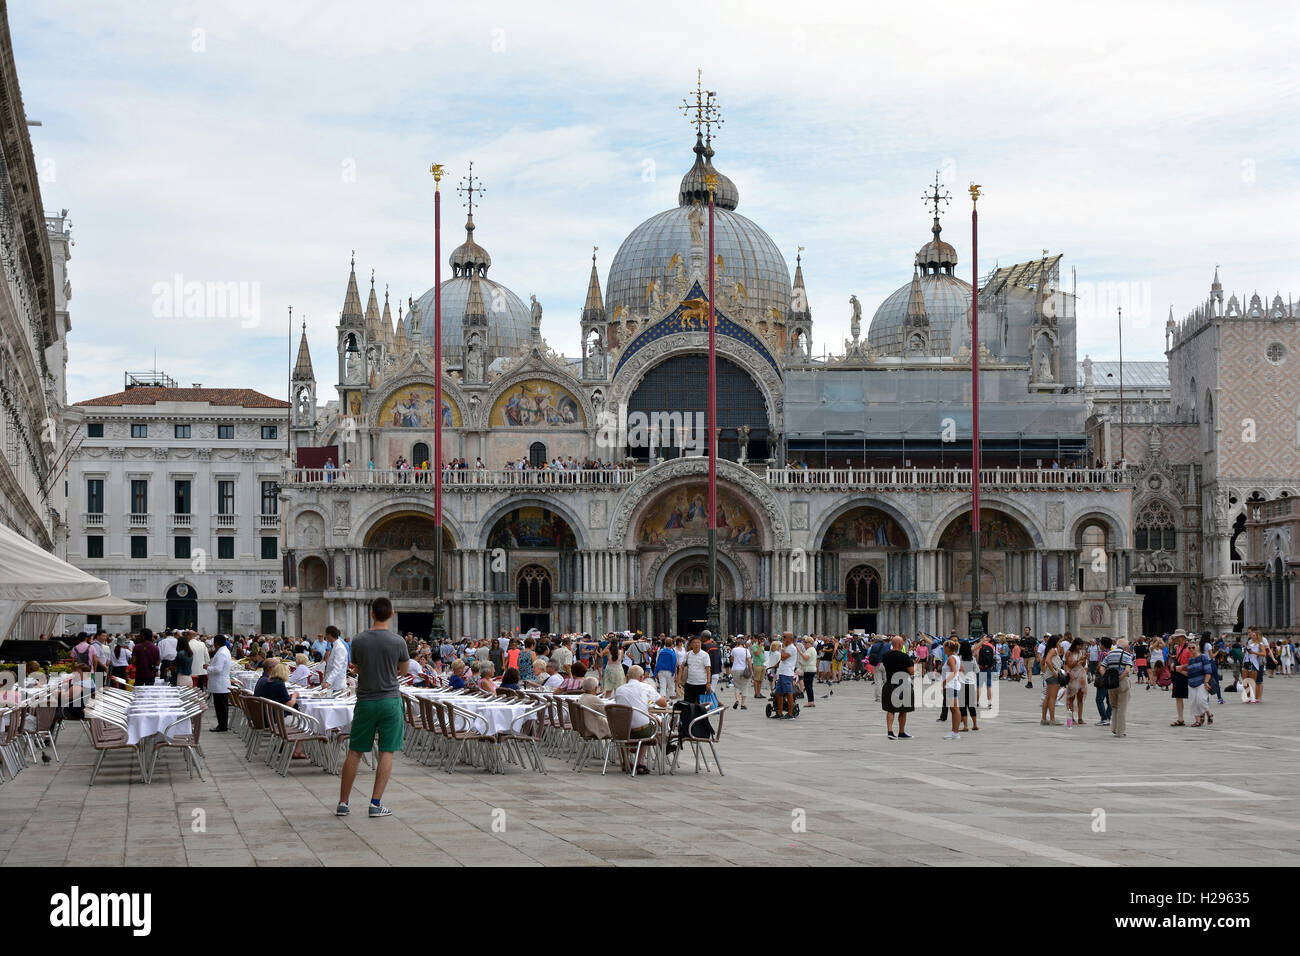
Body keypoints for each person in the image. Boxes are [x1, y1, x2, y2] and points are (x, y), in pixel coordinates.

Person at [337, 597, 408, 819]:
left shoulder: (358, 640)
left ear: (371, 614)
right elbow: (404, 670)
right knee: (387, 751)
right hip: (389, 700)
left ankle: (343, 802)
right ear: (392, 614)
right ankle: (375, 803)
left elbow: (356, 667)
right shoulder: (398, 641)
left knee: (355, 751)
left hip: (366, 700)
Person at [612, 665, 666, 774]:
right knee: (651, 726)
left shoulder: (619, 690)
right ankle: (639, 763)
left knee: (625, 724)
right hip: (641, 731)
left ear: (627, 677)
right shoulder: (646, 687)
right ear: (641, 677)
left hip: (621, 732)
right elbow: (663, 703)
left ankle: (626, 761)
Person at [882, 635, 915, 739]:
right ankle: (901, 732)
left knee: (890, 709)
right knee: (903, 710)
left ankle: (890, 731)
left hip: (890, 683)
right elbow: (912, 672)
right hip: (903, 684)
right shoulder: (905, 657)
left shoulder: (885, 655)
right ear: (901, 644)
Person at [1103, 638, 1136, 737]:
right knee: (1122, 708)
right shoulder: (1127, 655)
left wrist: (1107, 677)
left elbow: (1102, 667)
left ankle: (1114, 728)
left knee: (1114, 707)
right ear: (1126, 647)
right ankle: (1120, 731)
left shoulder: (1110, 654)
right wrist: (1119, 678)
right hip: (1122, 683)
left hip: (1111, 684)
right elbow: (1127, 671)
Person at [207, 635, 233, 732]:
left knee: (221, 706)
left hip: (220, 684)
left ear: (216, 644)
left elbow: (218, 669)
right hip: (221, 683)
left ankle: (222, 725)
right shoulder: (224, 651)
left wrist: (208, 668)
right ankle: (222, 724)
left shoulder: (221, 653)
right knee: (221, 706)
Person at [1186, 641, 1214, 727]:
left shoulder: (1203, 657)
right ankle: (1197, 721)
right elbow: (1189, 673)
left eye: (1193, 647)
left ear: (1197, 648)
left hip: (1202, 682)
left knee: (1201, 701)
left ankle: (1209, 714)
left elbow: (1208, 671)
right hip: (1191, 683)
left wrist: (1206, 682)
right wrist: (1179, 670)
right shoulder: (1190, 659)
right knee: (1193, 703)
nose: (1191, 649)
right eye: (1189, 648)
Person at [773, 632, 798, 719]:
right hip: (782, 672)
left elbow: (783, 657)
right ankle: (779, 712)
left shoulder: (792, 648)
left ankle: (790, 714)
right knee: (778, 693)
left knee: (788, 693)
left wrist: (782, 648)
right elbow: (781, 659)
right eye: (782, 637)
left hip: (787, 673)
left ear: (790, 639)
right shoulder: (786, 647)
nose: (783, 639)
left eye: (784, 637)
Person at [1169, 630, 1191, 726]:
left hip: (1187, 674)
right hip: (1178, 675)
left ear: (1182, 637)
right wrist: (1174, 664)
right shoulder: (1177, 647)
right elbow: (1178, 659)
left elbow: (1193, 663)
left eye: (1177, 637)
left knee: (1194, 697)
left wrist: (1181, 668)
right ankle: (1180, 719)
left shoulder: (1189, 648)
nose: (1175, 639)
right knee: (1178, 697)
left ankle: (1201, 716)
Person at [680, 636, 711, 704]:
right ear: (691, 645)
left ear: (701, 644)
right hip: (690, 683)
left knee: (700, 704)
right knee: (687, 703)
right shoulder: (688, 654)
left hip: (701, 683)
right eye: (694, 643)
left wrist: (708, 683)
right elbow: (682, 667)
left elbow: (708, 670)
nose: (696, 644)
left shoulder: (705, 655)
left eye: (698, 643)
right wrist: (679, 680)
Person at [320, 625, 349, 692]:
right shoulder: (335, 645)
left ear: (329, 635)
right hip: (333, 683)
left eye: (326, 635)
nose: (326, 637)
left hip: (337, 685)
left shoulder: (339, 648)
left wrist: (328, 682)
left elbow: (337, 667)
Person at [1093, 637, 1114, 726]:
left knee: (1099, 699)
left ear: (1103, 645)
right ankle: (1108, 717)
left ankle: (1104, 718)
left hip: (1103, 678)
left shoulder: (1103, 653)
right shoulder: (1112, 653)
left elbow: (1100, 666)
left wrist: (1096, 670)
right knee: (1109, 700)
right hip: (1112, 678)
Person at [729, 638, 749, 710]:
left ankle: (737, 700)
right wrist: (750, 669)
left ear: (737, 644)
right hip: (744, 669)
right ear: (743, 644)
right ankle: (742, 704)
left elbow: (731, 659)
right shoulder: (746, 650)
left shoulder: (734, 650)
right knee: (744, 686)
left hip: (735, 669)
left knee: (737, 686)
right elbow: (749, 660)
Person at [799, 637, 818, 708]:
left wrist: (800, 652)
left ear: (809, 643)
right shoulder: (812, 649)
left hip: (809, 669)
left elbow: (806, 658)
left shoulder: (810, 649)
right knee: (808, 686)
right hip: (811, 669)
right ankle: (811, 701)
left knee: (808, 686)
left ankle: (810, 702)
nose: (804, 644)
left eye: (805, 643)